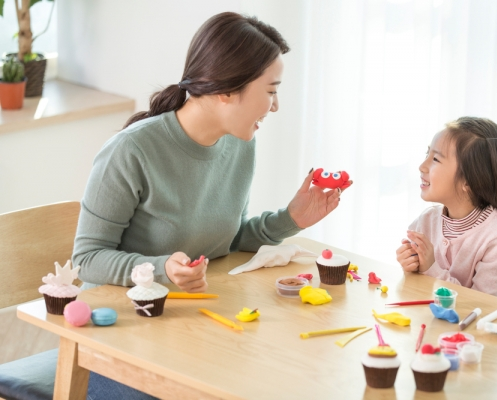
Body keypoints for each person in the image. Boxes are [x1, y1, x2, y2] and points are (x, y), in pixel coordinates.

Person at [72, 12, 350, 398]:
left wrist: (292, 219)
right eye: (270, 91)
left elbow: (227, 239)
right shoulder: (132, 151)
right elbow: (86, 258)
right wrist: (160, 269)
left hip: (184, 325)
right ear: (226, 90)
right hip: (119, 335)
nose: (275, 106)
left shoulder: (240, 143)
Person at [396, 117, 497, 300]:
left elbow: (480, 308)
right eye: (427, 154)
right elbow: (415, 291)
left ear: (469, 180)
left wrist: (430, 269)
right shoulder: (427, 221)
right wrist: (410, 266)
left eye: (435, 159)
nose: (422, 166)